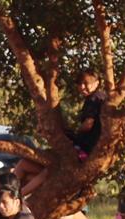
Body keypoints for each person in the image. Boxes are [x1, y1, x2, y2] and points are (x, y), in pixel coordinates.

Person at [14, 69, 105, 197]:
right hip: (88, 148)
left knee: (47, 170)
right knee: (36, 172)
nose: (82, 87)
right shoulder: (100, 98)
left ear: (97, 83)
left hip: (85, 148)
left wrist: (75, 133)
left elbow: (88, 124)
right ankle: (14, 196)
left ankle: (13, 196)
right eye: (80, 83)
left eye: (86, 83)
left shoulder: (94, 99)